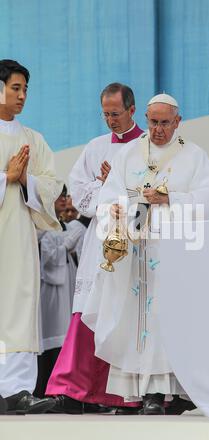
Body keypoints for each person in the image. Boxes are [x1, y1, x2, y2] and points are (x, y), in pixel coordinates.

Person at [82, 93, 209, 414]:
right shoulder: (130, 154)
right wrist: (118, 213)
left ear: (178, 121)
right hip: (137, 251)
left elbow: (208, 199)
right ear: (145, 119)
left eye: (165, 123)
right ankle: (142, 392)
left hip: (175, 254)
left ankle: (171, 392)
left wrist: (169, 198)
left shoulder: (194, 156)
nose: (158, 129)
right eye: (153, 122)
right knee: (138, 319)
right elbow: (111, 195)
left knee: (167, 318)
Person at [46, 83, 144, 414]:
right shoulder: (95, 146)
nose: (110, 121)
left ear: (131, 109)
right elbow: (78, 196)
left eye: (116, 114)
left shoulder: (148, 146)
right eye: (105, 114)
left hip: (133, 236)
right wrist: (105, 184)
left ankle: (124, 395)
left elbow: (152, 194)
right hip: (100, 239)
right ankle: (73, 389)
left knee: (127, 315)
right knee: (87, 313)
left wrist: (118, 185)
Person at [0, 59, 62, 413]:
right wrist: (5, 177)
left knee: (20, 303)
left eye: (25, 89)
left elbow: (52, 185)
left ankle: (19, 389)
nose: (22, 96)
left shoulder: (31, 140)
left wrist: (26, 181)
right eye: (15, 88)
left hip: (20, 236)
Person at [34, 185, 86, 398]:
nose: (64, 200)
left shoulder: (63, 227)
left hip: (67, 283)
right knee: (50, 334)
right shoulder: (41, 225)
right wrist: (65, 246)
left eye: (65, 195)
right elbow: (47, 257)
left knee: (64, 333)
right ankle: (43, 389)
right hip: (48, 287)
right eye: (59, 196)